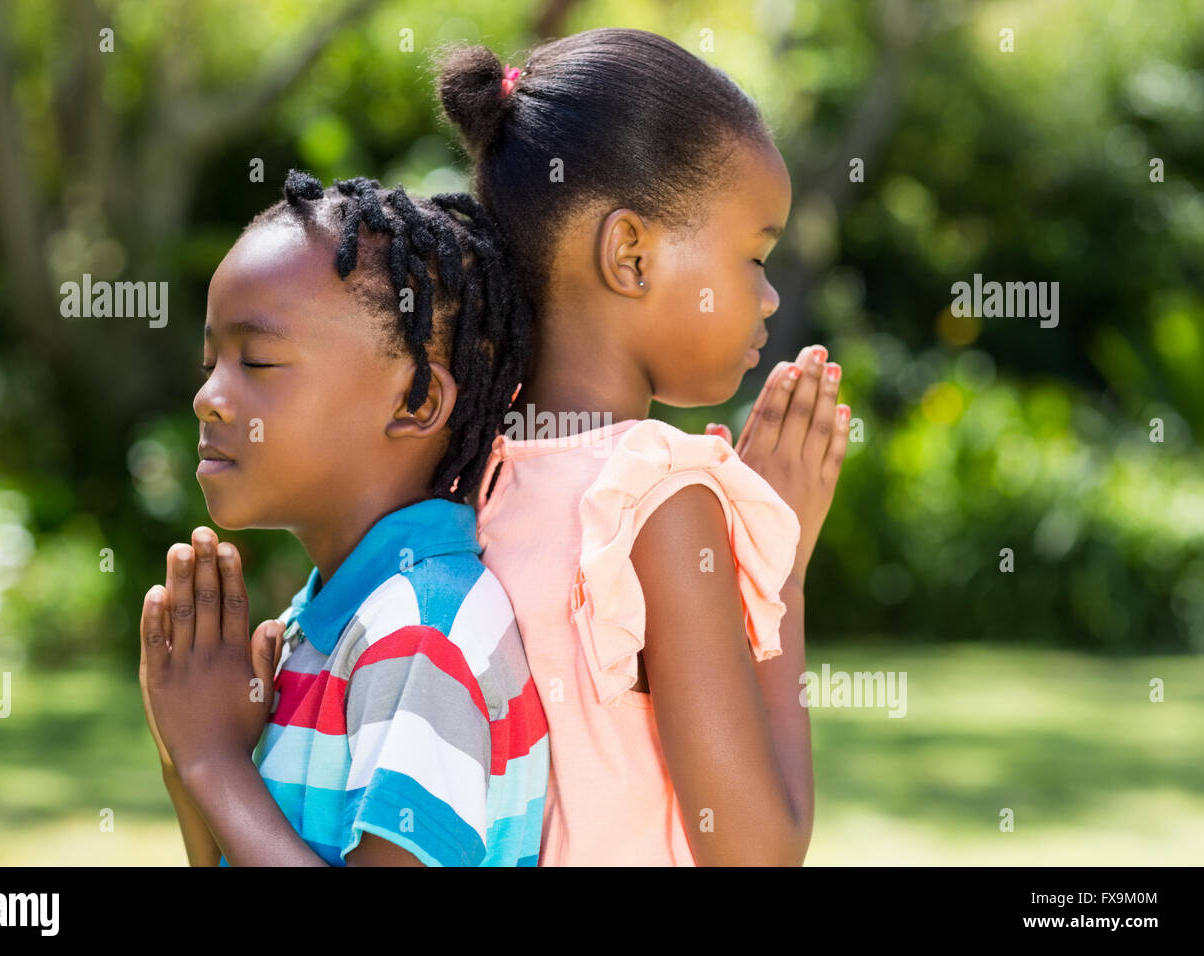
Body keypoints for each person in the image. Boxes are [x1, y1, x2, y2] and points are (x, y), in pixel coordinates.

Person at [435, 28, 850, 864]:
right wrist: (783, 567)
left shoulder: (464, 468)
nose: (769, 297)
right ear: (630, 254)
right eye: (754, 256)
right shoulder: (656, 497)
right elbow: (757, 851)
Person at [136, 170, 548, 866]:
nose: (209, 396)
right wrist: (190, 755)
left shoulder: (422, 640)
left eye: (258, 360)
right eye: (211, 363)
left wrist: (212, 761)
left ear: (415, 402)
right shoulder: (330, 622)